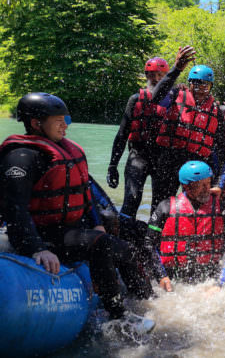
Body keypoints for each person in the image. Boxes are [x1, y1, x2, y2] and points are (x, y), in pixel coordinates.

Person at [0, 93, 155, 334]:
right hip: (39, 235)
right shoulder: (20, 157)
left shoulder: (67, 151)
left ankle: (146, 300)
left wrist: (97, 223)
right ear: (35, 123)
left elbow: (85, 195)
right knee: (100, 244)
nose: (65, 125)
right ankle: (118, 317)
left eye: (65, 119)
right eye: (57, 120)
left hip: (67, 230)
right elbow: (15, 209)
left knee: (123, 247)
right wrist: (36, 248)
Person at [151, 48, 225, 211]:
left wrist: (218, 181)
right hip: (170, 158)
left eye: (205, 86)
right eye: (196, 84)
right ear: (190, 83)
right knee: (161, 204)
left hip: (196, 164)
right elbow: (155, 97)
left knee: (196, 206)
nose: (200, 89)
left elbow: (220, 147)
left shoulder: (215, 111)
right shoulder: (175, 95)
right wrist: (176, 68)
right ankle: (155, 234)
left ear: (211, 86)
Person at [106, 57, 170, 218]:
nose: (156, 79)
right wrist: (112, 166)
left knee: (160, 205)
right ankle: (125, 238)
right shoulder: (135, 100)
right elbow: (122, 135)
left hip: (162, 158)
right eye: (151, 75)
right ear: (146, 75)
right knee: (131, 199)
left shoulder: (176, 100)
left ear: (167, 76)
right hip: (138, 156)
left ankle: (153, 241)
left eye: (160, 75)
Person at [144, 161, 225, 284]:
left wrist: (221, 281)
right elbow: (149, 242)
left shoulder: (221, 208)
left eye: (208, 183)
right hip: (173, 275)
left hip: (209, 275)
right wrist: (161, 275)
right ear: (186, 186)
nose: (207, 189)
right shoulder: (165, 207)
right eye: (201, 185)